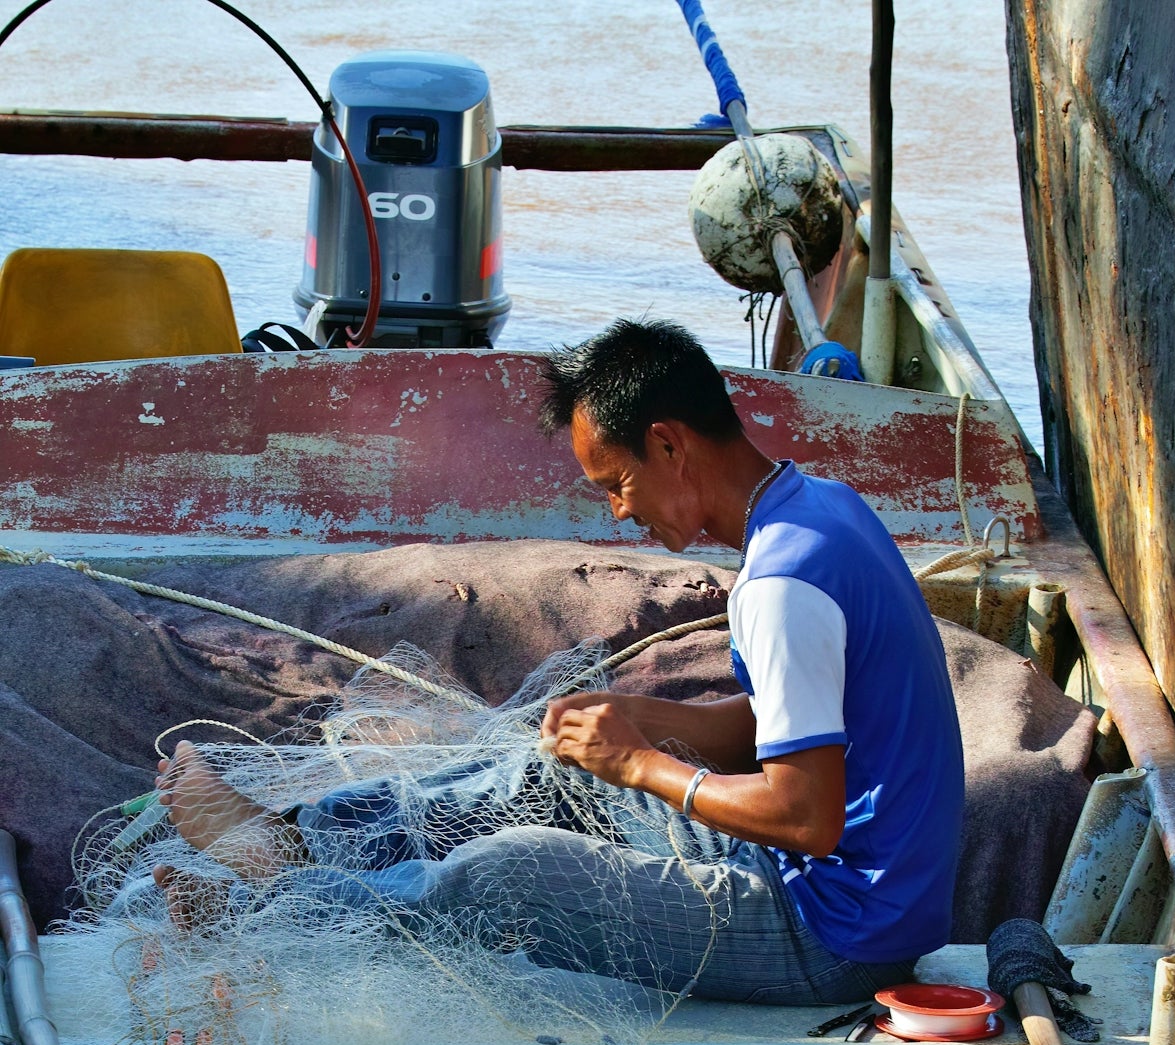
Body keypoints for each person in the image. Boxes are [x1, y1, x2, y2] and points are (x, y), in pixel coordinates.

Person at [153, 318, 964, 1006]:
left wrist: (646, 766)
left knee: (511, 877)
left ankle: (278, 904)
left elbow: (807, 817)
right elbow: (795, 724)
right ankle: (300, 842)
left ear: (668, 444)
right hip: (816, 876)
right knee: (553, 777)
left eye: (615, 483)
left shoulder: (782, 585)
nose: (618, 511)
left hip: (835, 933)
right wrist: (651, 724)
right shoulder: (823, 510)